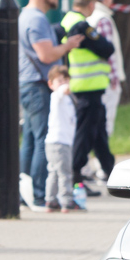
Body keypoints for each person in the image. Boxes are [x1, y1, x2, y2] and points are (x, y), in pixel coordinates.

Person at [18, 0, 84, 211]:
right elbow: (46, 55)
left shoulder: (27, 16)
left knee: (30, 140)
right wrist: (69, 45)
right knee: (41, 141)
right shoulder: (35, 19)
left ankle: (23, 192)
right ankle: (37, 195)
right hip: (37, 85)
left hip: (29, 85)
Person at [61, 0, 117, 196]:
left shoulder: (67, 20)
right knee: (84, 136)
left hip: (88, 88)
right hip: (87, 87)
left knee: (99, 134)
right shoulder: (81, 25)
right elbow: (106, 49)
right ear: (91, 4)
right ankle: (75, 179)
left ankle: (111, 173)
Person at [43, 65, 84, 211]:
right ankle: (67, 201)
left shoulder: (68, 99)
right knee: (65, 173)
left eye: (66, 80)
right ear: (51, 84)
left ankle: (51, 200)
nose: (64, 84)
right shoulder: (56, 97)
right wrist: (62, 88)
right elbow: (60, 92)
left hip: (62, 142)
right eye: (59, 81)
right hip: (59, 142)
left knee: (54, 172)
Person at [87, 0, 124, 139]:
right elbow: (108, 52)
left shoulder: (90, 18)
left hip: (93, 78)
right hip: (106, 80)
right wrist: (114, 78)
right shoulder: (103, 19)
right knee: (106, 124)